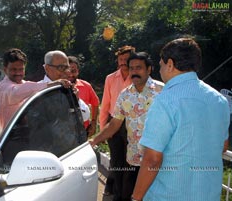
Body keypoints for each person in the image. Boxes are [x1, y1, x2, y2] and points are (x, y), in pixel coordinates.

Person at [132, 38, 230, 201]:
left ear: (169, 64)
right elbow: (223, 145)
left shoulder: (165, 100)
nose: (160, 69)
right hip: (208, 194)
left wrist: (136, 197)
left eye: (161, 64)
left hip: (169, 195)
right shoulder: (220, 100)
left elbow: (152, 159)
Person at [91, 52, 164, 201]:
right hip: (133, 159)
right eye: (131, 68)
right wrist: (94, 140)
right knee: (128, 195)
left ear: (149, 69)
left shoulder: (162, 91)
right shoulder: (125, 94)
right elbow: (115, 123)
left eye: (139, 68)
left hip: (156, 161)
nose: (134, 72)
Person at [0, 48, 71, 129]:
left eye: (21, 69)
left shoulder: (28, 85)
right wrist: (50, 84)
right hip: (12, 139)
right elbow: (16, 92)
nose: (18, 73)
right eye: (13, 69)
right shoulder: (3, 87)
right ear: (5, 70)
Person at [99, 45, 135, 198]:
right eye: (120, 59)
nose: (123, 62)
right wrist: (103, 130)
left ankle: (129, 193)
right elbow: (105, 104)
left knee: (131, 163)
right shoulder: (110, 78)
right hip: (114, 124)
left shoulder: (138, 78)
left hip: (134, 125)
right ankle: (117, 193)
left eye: (126, 59)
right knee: (116, 161)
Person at [39, 50, 90, 124]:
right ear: (47, 68)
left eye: (67, 67)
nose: (67, 72)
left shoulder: (68, 88)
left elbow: (85, 117)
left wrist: (76, 101)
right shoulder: (36, 91)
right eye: (61, 67)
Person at [67, 56, 100, 136]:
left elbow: (95, 103)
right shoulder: (57, 87)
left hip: (83, 131)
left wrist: (93, 122)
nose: (71, 74)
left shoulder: (86, 86)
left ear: (78, 71)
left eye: (73, 71)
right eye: (68, 71)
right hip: (64, 132)